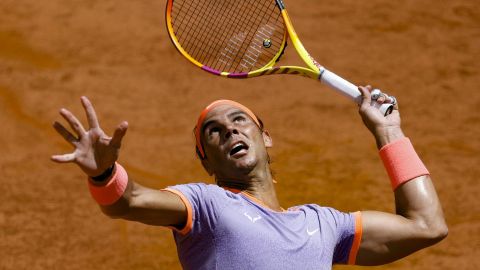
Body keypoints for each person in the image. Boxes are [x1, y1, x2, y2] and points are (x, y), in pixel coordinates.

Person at [51, 86, 447, 269]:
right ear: (208, 164)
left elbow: (426, 226)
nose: (230, 131)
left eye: (239, 120)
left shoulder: (325, 226)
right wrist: (104, 173)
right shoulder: (208, 206)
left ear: (265, 137)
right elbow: (130, 201)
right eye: (214, 131)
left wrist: (388, 133)